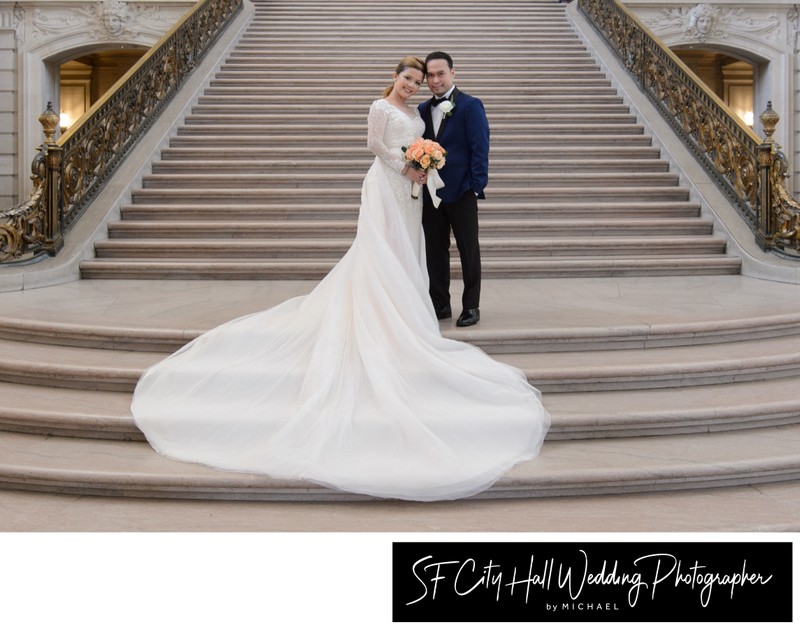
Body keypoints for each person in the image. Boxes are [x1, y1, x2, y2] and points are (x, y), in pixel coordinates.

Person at [130, 56, 549, 502]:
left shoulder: (428, 111)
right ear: (397, 78)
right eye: (411, 78)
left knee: (427, 250)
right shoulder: (384, 107)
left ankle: (449, 304)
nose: (416, 84)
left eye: (423, 78)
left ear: (445, 77)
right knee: (385, 250)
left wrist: (442, 172)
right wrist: (406, 164)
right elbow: (375, 145)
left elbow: (471, 145)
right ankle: (397, 306)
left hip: (426, 190)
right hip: (389, 186)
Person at [419, 51, 489, 328]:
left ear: (452, 73)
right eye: (431, 76)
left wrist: (475, 186)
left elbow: (480, 147)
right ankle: (440, 304)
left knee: (468, 249)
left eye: (441, 74)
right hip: (430, 193)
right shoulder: (423, 109)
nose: (436, 80)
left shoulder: (470, 105)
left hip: (461, 190)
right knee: (435, 250)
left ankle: (471, 305)